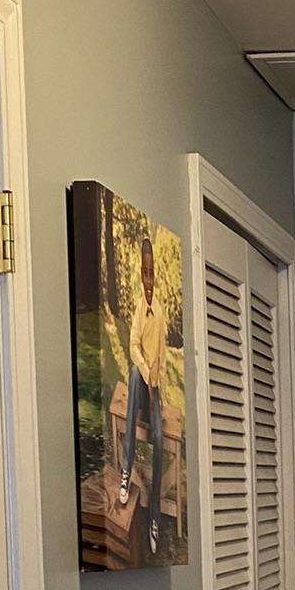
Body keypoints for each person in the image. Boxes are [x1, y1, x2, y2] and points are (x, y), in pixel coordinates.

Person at [118, 236, 167, 556]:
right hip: (140, 381)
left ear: (155, 275)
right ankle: (126, 469)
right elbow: (134, 345)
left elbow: (161, 356)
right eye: (144, 273)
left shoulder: (160, 313)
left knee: (161, 440)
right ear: (140, 274)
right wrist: (146, 374)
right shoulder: (138, 308)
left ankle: (154, 518)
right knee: (135, 372)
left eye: (152, 273)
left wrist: (155, 385)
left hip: (154, 389)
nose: (148, 279)